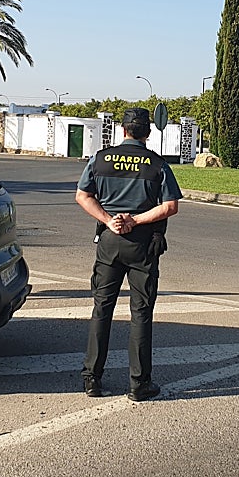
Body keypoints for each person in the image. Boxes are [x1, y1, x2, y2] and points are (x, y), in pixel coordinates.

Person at [76, 107, 182, 401]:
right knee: (141, 313)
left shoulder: (101, 159)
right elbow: (170, 206)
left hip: (110, 241)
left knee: (102, 309)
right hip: (143, 245)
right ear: (147, 133)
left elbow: (82, 195)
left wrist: (109, 219)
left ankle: (91, 379)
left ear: (122, 130)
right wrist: (136, 220)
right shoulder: (157, 165)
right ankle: (139, 384)